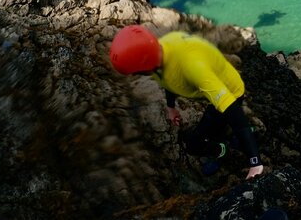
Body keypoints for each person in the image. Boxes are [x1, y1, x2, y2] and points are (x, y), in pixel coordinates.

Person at [109, 25, 264, 180]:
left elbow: (232, 109)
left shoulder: (192, 65)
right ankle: (231, 136)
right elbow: (168, 80)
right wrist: (171, 108)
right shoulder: (161, 51)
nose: (137, 75)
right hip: (213, 87)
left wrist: (255, 163)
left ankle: (223, 150)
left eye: (137, 72)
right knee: (218, 127)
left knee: (195, 144)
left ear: (146, 63)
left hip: (230, 92)